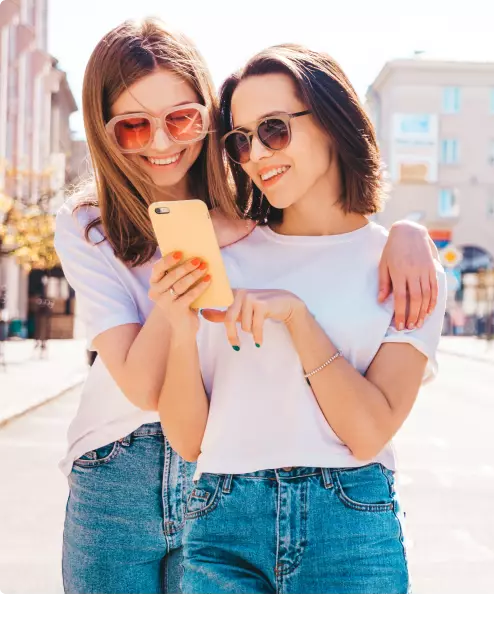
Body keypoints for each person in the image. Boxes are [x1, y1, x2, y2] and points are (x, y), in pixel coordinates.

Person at [54, 19, 439, 598]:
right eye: (133, 127)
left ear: (208, 119)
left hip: (221, 468)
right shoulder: (89, 226)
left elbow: (330, 235)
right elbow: (141, 384)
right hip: (120, 463)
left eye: (181, 118)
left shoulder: (253, 204)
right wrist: (184, 280)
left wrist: (409, 233)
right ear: (105, 133)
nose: (161, 143)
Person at [155, 44, 447, 596]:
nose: (256, 154)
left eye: (274, 129)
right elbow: (191, 441)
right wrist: (177, 327)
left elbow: (366, 433)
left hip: (349, 527)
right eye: (240, 141)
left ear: (334, 123)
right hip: (221, 525)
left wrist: (297, 317)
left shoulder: (404, 267)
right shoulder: (220, 257)